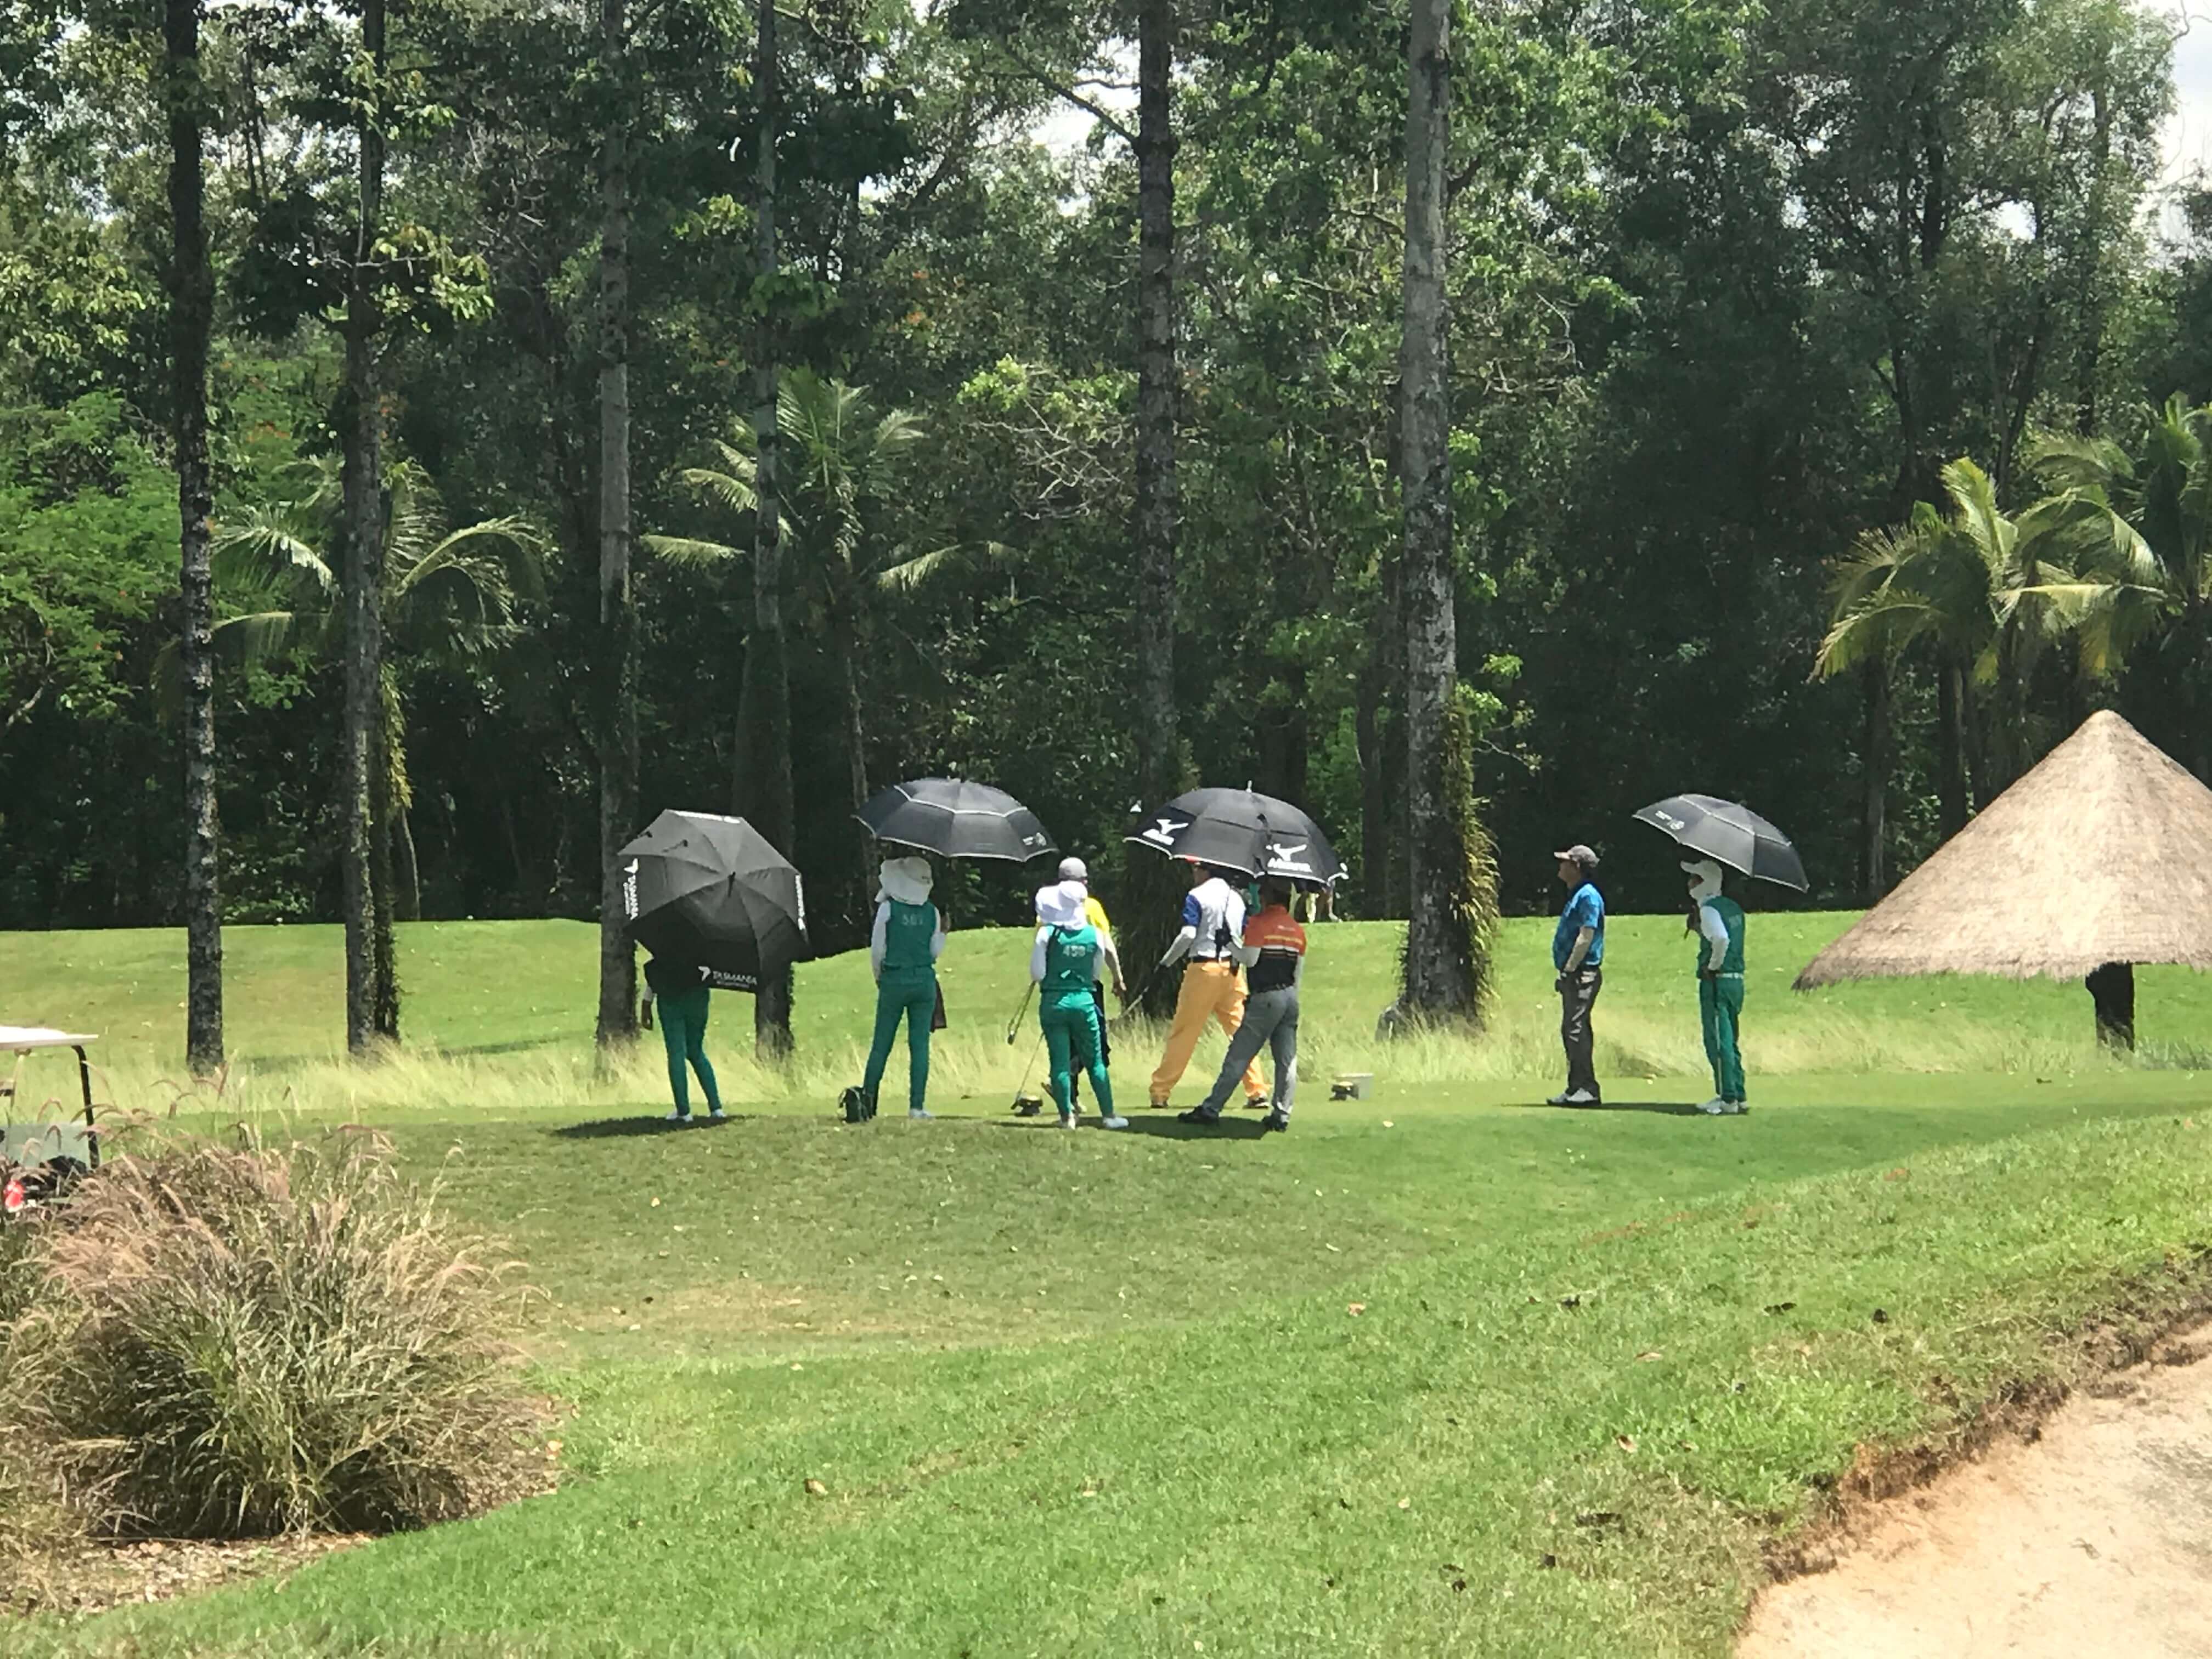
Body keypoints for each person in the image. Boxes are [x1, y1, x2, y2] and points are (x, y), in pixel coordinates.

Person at [1179, 877, 1306, 1132]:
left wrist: (1227, 943)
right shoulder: (1296, 929)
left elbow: (1250, 959)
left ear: (1268, 896)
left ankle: (1211, 1108)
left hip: (1266, 997)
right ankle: (1282, 1114)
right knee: (1286, 1059)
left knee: (1239, 1054)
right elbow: (1298, 973)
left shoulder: (1261, 923)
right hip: (1290, 997)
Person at [1147, 861, 1267, 1110]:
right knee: (1241, 1033)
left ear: (1205, 870)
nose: (1194, 873)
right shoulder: (1237, 899)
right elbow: (1243, 932)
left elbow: (1189, 935)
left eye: (1196, 868)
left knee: (1185, 1032)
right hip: (1232, 971)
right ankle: (1257, 1090)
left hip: (1203, 968)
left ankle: (1161, 1090)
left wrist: (1166, 962)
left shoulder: (1196, 896)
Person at [1031, 879, 1126, 1130]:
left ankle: (1067, 1118)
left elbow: (1037, 973)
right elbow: (1095, 973)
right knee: (1095, 1060)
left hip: (1053, 1002)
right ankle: (1109, 1115)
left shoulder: (1047, 933)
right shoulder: (1095, 934)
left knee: (1059, 1062)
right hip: (1084, 1001)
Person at [861, 855, 946, 1120]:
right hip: (924, 981)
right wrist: (944, 933)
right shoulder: (932, 911)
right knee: (920, 1045)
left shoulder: (889, 909)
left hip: (894, 980)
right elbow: (934, 952)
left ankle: (867, 1103)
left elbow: (878, 950)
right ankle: (917, 1106)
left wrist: (879, 978)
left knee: (881, 1044)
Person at [1684, 857, 1748, 1114]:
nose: (1690, 883)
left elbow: (1721, 940)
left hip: (1718, 983)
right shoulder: (1732, 907)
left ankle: (1727, 1098)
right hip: (1735, 982)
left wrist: (1711, 967)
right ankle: (1738, 1093)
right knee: (1731, 1040)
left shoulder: (1709, 909)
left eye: (1695, 878)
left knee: (1718, 1041)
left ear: (1705, 882)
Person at [1549, 843, 1605, 1107]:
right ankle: (1575, 1088)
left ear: (1578, 867)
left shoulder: (1588, 896)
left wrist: (1569, 969)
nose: (1561, 866)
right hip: (1575, 973)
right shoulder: (1577, 894)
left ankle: (1588, 1088)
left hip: (1583, 973)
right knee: (1571, 1029)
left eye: (1566, 862)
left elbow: (1586, 936)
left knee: (1576, 1030)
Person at [642, 953, 724, 1124]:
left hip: (670, 997)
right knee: (696, 1051)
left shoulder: (663, 938)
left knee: (676, 1053)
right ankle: (716, 1108)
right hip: (698, 997)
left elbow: (657, 970)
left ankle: (684, 1111)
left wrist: (646, 1003)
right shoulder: (701, 938)